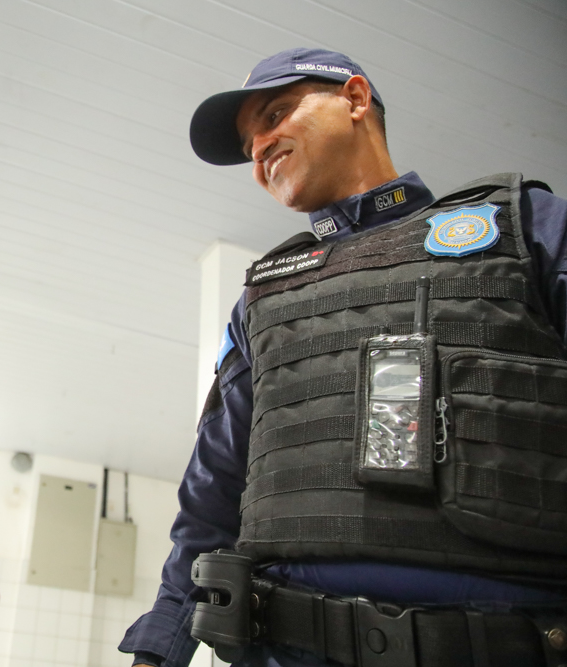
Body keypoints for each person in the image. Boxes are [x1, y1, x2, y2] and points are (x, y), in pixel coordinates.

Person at [121, 47, 567, 667]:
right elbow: (213, 493)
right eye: (250, 143)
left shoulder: (527, 229)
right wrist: (160, 647)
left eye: (276, 113)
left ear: (355, 99)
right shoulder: (263, 297)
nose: (260, 149)